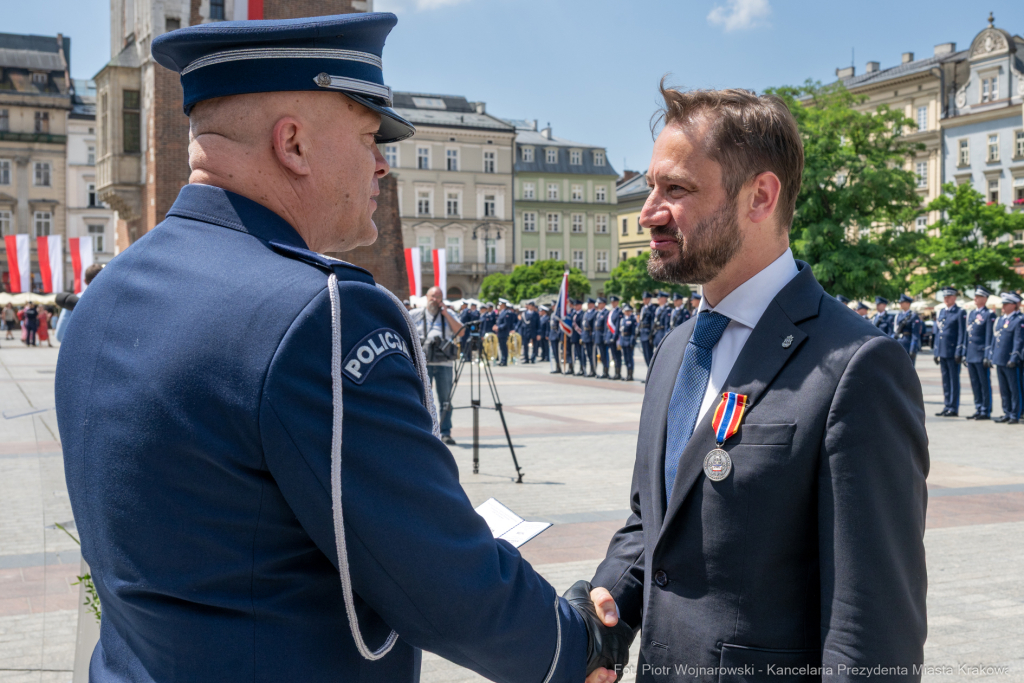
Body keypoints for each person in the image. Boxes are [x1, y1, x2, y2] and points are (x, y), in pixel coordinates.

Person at [56, 14, 632, 682]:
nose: (384, 162)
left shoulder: (105, 296)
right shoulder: (320, 314)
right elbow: (437, 575)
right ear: (293, 143)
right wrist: (575, 643)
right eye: (368, 135)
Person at [586, 85, 927, 680]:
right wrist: (604, 605)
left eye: (676, 190)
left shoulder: (857, 365)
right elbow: (654, 524)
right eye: (650, 189)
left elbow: (870, 626)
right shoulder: (675, 350)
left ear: (760, 197)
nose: (647, 213)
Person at [409, 286, 464, 446]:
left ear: (442, 299)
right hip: (422, 364)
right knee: (420, 398)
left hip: (444, 364)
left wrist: (446, 314)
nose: (435, 299)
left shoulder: (448, 314)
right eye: (433, 296)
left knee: (445, 399)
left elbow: (460, 332)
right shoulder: (416, 314)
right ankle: (423, 431)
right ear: (426, 297)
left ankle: (445, 432)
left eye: (438, 297)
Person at [990, 291, 1023, 424]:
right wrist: (992, 355)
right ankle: (1007, 412)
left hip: (1010, 360)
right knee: (1004, 388)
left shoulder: (1019, 320)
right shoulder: (1001, 319)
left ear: (1014, 305)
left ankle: (1015, 414)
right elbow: (996, 339)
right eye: (1003, 303)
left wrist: (1014, 357)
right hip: (1000, 358)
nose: (1003, 306)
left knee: (1014, 389)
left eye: (1006, 303)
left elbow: (1018, 341)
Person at [934, 286, 967, 417]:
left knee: (953, 381)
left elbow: (961, 333)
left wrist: (959, 351)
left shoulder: (960, 312)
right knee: (946, 381)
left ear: (955, 297)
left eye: (949, 297)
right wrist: (936, 351)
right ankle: (947, 405)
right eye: (945, 297)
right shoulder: (942, 312)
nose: (946, 299)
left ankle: (953, 407)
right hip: (942, 351)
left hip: (953, 352)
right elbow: (938, 333)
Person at [965, 286, 995, 421]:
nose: (975, 298)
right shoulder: (971, 314)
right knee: (975, 383)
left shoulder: (989, 315)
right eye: (975, 296)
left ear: (984, 299)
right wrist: (965, 353)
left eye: (978, 297)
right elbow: (968, 335)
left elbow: (989, 336)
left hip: (981, 354)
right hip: (971, 354)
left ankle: (985, 410)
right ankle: (978, 407)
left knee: (984, 383)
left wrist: (987, 355)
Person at [55, 264, 105, 343]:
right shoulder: (113, 301)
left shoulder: (71, 301)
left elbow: (60, 335)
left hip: (79, 351)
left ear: (85, 281)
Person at [892, 293, 923, 365]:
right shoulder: (898, 315)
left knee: (909, 369)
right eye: (900, 302)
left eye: (902, 302)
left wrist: (913, 347)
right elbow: (895, 331)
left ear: (908, 303)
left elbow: (915, 333)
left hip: (908, 343)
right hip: (899, 342)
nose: (900, 304)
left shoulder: (913, 316)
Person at [618, 303, 637, 381]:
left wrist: (632, 342)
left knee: (629, 358)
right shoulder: (623, 319)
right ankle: (627, 374)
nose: (627, 312)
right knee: (625, 358)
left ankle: (630, 375)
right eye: (626, 311)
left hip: (629, 340)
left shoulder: (633, 319)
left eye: (628, 311)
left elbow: (633, 332)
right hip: (623, 339)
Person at [606, 295, 623, 379]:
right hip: (610, 336)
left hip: (616, 338)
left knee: (617, 356)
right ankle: (615, 373)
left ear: (617, 302)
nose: (613, 303)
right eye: (612, 302)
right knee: (613, 355)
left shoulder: (619, 312)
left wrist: (615, 337)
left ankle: (618, 373)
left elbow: (617, 326)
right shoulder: (611, 312)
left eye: (614, 302)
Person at [593, 298, 610, 379]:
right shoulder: (598, 313)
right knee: (601, 355)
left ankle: (606, 371)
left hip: (602, 336)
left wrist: (605, 337)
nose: (598, 305)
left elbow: (606, 327)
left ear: (604, 304)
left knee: (604, 355)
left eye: (600, 303)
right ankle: (603, 371)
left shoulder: (606, 313)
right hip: (598, 336)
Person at [637, 292, 655, 366]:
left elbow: (652, 322)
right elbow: (640, 321)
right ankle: (648, 371)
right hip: (642, 333)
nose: (644, 300)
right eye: (643, 299)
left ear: (649, 299)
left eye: (646, 299)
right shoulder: (643, 308)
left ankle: (651, 373)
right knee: (645, 355)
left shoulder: (652, 308)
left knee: (649, 354)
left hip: (648, 334)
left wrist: (651, 333)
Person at [495, 299, 514, 366]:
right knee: (501, 347)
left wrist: (498, 327)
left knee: (504, 347)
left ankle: (504, 361)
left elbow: (506, 324)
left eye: (500, 305)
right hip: (500, 333)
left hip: (504, 332)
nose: (499, 306)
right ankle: (502, 360)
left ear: (503, 305)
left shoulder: (506, 312)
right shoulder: (502, 312)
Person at [581, 298, 597, 377]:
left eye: (590, 304)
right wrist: (582, 336)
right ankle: (587, 369)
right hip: (585, 335)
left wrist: (593, 336)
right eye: (588, 304)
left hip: (590, 336)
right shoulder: (585, 313)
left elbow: (594, 326)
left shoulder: (595, 313)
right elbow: (582, 326)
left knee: (592, 355)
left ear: (593, 305)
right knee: (587, 354)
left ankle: (593, 370)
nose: (589, 305)